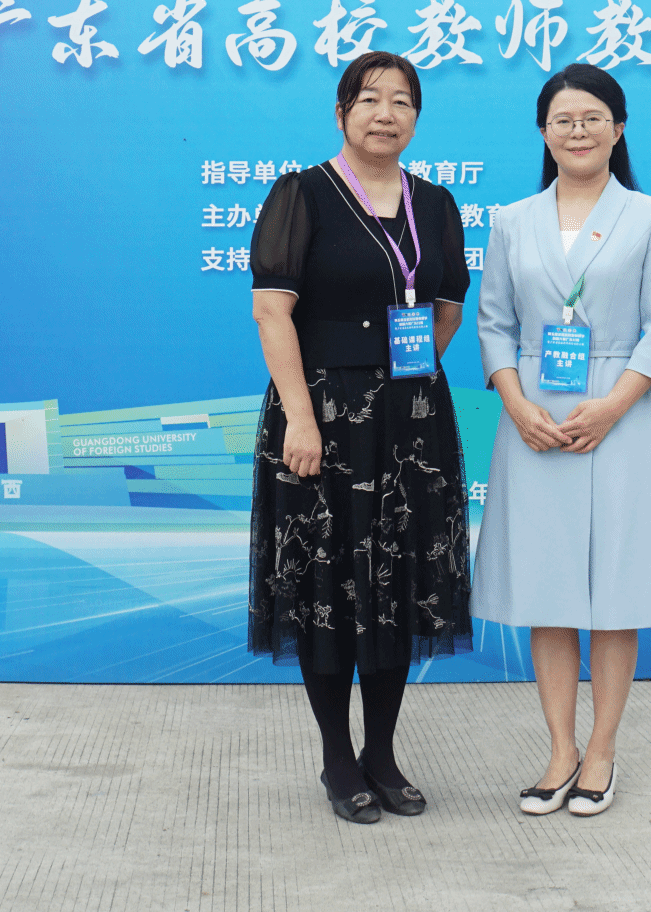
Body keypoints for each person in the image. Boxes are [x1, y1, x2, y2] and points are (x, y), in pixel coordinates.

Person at [247, 51, 474, 824]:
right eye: (370, 98)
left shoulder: (435, 204)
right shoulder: (302, 193)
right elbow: (272, 311)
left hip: (410, 421)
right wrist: (302, 416)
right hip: (320, 417)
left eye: (402, 100)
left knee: (397, 584)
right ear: (341, 112)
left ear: (416, 117)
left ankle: (382, 752)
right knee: (329, 585)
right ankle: (338, 759)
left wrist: (407, 377)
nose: (386, 113)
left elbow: (448, 305)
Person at [473, 62, 651, 818]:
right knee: (549, 589)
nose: (578, 130)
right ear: (544, 131)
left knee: (615, 592)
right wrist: (515, 403)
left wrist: (611, 407)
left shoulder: (650, 217)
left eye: (593, 117)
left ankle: (601, 750)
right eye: (564, 119)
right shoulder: (512, 220)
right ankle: (559, 751)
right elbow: (494, 324)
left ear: (618, 127)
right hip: (535, 420)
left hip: (621, 417)